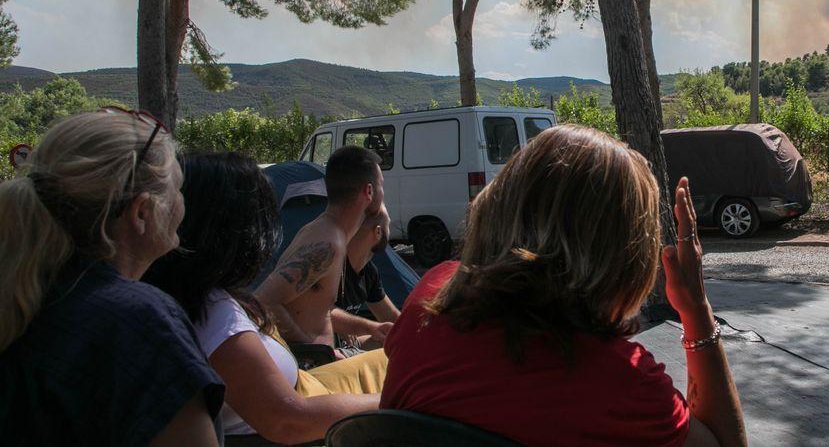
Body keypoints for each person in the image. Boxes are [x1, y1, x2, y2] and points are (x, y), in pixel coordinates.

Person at [381, 125, 748, 447]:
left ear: (502, 205)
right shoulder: (623, 384)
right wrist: (697, 310)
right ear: (623, 254)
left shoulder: (430, 296)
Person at [0, 110, 223, 446]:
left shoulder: (26, 291)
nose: (182, 200)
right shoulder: (136, 323)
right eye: (177, 188)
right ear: (142, 212)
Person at [144, 152, 382, 444]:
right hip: (306, 394)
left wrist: (370, 329)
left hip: (307, 383)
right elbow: (287, 421)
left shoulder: (198, 293)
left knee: (387, 359)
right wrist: (395, 403)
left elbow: (311, 307)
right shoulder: (215, 316)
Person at [256, 145, 384, 351]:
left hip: (326, 356)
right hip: (312, 367)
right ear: (368, 191)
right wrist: (314, 351)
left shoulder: (328, 232)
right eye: (381, 185)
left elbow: (315, 307)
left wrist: (371, 326)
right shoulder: (327, 243)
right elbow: (264, 301)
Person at [332, 205, 400, 356]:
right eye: (388, 224)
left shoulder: (368, 271)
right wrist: (368, 327)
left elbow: (392, 318)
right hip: (325, 352)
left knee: (396, 338)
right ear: (378, 232)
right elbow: (320, 312)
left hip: (348, 346)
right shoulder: (333, 266)